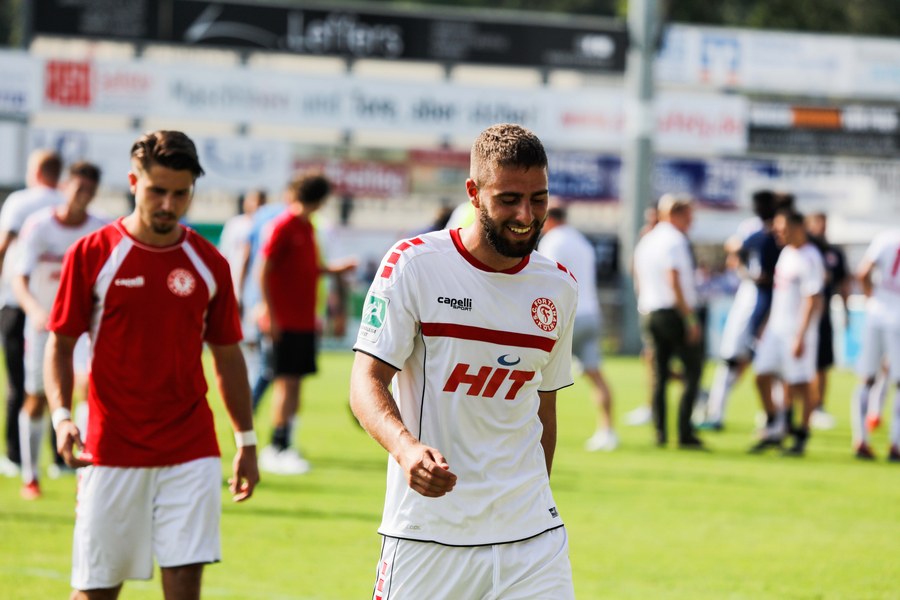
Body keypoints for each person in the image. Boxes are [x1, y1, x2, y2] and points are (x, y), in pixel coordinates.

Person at [349, 123, 577, 598]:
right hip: (428, 535)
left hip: (532, 540)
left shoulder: (559, 287)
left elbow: (544, 410)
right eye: (509, 199)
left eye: (538, 199)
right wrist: (406, 450)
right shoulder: (414, 264)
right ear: (474, 193)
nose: (526, 215)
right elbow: (366, 381)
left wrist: (530, 500)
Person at [44, 130, 259, 599]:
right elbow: (59, 344)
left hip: (191, 447)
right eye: (157, 191)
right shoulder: (93, 253)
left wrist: (246, 439)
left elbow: (228, 357)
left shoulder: (209, 263)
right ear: (133, 183)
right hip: (110, 447)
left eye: (180, 193)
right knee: (97, 590)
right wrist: (61, 417)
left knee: (185, 582)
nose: (168, 204)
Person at [12, 161, 106, 499]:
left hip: (83, 327)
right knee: (37, 397)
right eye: (79, 188)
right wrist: (36, 311)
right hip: (45, 326)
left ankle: (81, 465)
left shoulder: (99, 229)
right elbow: (19, 278)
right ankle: (30, 476)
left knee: (86, 388)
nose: (83, 196)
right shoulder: (39, 226)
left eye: (90, 191)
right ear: (65, 187)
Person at [257, 172, 355, 475]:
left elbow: (309, 269)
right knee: (285, 384)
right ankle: (275, 447)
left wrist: (335, 270)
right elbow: (264, 271)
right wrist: (271, 315)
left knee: (296, 385)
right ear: (321, 199)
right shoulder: (284, 225)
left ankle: (287, 443)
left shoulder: (307, 227)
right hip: (285, 321)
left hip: (304, 321)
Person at [0, 149, 65, 478]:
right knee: (59, 382)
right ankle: (61, 458)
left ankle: (15, 458)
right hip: (57, 307)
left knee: (19, 384)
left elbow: (4, 246)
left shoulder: (20, 202)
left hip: (18, 301)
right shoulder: (66, 201)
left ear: (36, 171)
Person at [539, 200, 617, 451]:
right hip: (590, 313)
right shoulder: (582, 241)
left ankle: (528, 433)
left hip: (566, 318)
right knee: (596, 376)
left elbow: (547, 280)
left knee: (537, 378)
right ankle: (607, 431)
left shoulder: (553, 241)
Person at [700, 190, 779, 430]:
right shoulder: (752, 230)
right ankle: (715, 411)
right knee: (731, 357)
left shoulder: (778, 231)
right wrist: (749, 273)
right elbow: (735, 251)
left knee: (770, 361)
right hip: (750, 295)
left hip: (772, 298)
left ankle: (772, 416)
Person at [750, 208, 825, 456]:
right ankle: (774, 425)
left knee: (800, 384)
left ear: (798, 227)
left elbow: (812, 299)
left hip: (797, 331)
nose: (778, 233)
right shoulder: (786, 253)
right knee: (761, 375)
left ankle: (801, 434)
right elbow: (780, 295)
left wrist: (801, 335)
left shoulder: (810, 257)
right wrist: (767, 323)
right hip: (777, 329)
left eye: (782, 229)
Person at [633, 193, 705, 449]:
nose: (691, 222)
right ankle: (685, 431)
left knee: (659, 374)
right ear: (676, 214)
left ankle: (660, 431)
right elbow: (673, 279)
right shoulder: (675, 240)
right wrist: (690, 318)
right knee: (693, 371)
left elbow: (637, 275)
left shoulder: (647, 239)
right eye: (688, 216)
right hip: (674, 312)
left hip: (649, 310)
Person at [849, 228, 900, 460]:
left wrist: (872, 298)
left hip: (877, 314)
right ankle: (896, 444)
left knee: (867, 378)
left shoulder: (886, 237)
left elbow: (862, 272)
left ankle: (861, 440)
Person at [805, 211, 850, 430]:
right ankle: (788, 409)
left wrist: (846, 311)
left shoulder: (834, 253)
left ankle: (818, 407)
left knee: (822, 364)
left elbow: (843, 283)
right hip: (801, 314)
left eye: (824, 223)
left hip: (823, 317)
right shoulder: (802, 252)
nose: (821, 228)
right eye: (817, 223)